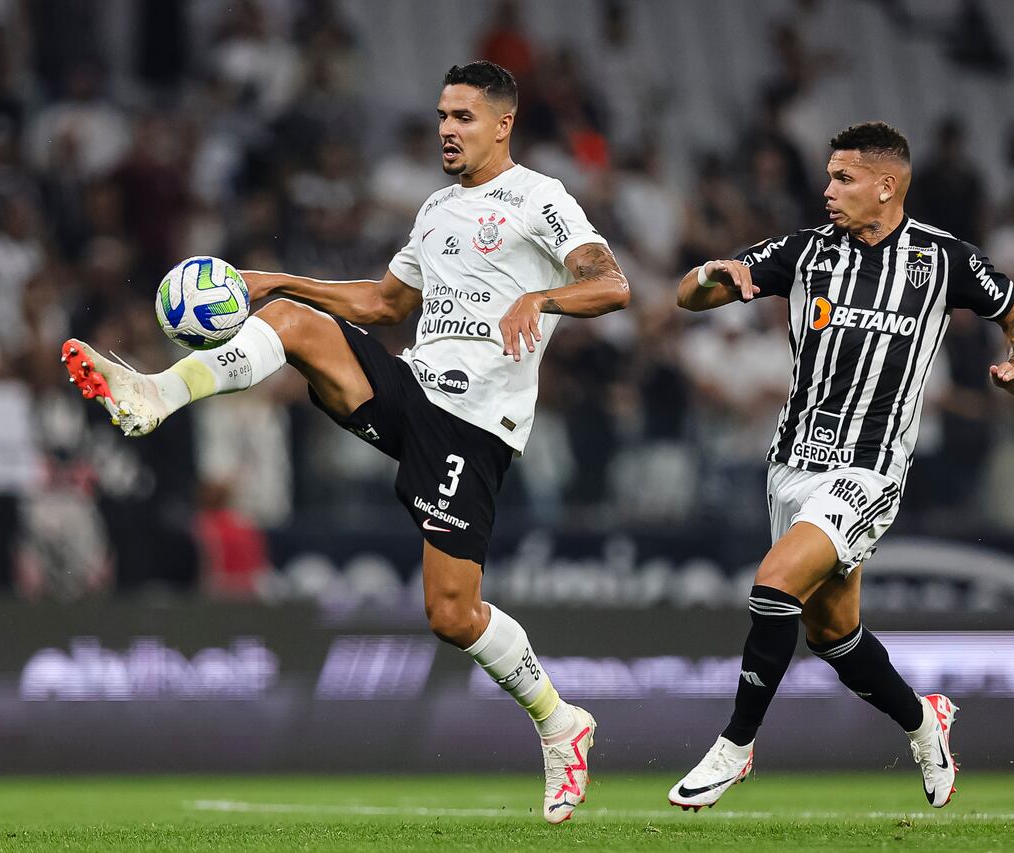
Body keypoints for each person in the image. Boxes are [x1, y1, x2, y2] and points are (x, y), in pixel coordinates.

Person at [61, 61, 629, 823]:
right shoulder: (435, 209)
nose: (446, 130)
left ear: (503, 124)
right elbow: (385, 302)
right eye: (441, 115)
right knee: (294, 323)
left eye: (463, 117)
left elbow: (611, 283)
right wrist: (277, 279)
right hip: (414, 388)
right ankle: (157, 393)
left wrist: (541, 296)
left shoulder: (540, 198)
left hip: (475, 425)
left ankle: (561, 721)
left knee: (452, 613)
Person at [669, 121, 1014, 811]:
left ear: (886, 186)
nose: (828, 190)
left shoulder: (944, 259)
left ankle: (735, 746)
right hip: (791, 465)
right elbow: (689, 297)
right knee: (832, 634)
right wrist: (708, 274)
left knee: (774, 582)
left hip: (870, 471)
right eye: (828, 177)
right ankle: (924, 721)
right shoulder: (804, 252)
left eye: (843, 178)